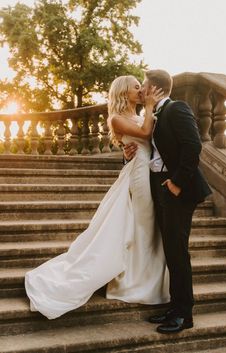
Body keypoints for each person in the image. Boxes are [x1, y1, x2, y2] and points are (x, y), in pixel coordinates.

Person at [25, 75, 170, 320]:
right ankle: (133, 282)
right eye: (136, 87)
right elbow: (145, 134)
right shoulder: (116, 118)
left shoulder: (136, 114)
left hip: (146, 169)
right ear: (124, 91)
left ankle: (146, 279)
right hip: (138, 173)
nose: (141, 90)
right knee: (144, 225)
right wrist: (148, 109)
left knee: (145, 226)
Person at [124, 69, 212, 334]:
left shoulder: (176, 109)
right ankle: (174, 307)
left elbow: (193, 146)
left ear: (155, 88)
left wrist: (177, 183)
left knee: (177, 253)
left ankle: (184, 315)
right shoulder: (154, 114)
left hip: (179, 191)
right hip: (160, 188)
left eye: (145, 86)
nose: (141, 91)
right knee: (171, 252)